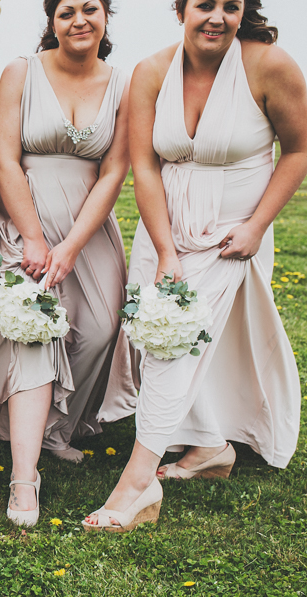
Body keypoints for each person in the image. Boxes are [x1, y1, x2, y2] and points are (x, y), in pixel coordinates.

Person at [84, 0, 306, 532]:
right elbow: (145, 165)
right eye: (204, 4)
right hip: (165, 236)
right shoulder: (152, 72)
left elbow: (298, 151)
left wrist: (254, 227)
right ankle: (209, 446)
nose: (217, 17)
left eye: (231, 6)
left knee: (172, 348)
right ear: (180, 8)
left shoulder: (269, 65)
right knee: (156, 341)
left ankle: (138, 484)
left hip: (230, 236)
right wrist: (163, 250)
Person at [0, 0, 135, 526]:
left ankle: (55, 427)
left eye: (90, 10)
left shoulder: (123, 84)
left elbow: (114, 171)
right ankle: (23, 477)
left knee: (101, 329)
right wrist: (35, 238)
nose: (79, 20)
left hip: (88, 226)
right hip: (25, 221)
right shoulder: (21, 72)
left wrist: (72, 244)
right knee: (34, 330)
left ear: (106, 17)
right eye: (66, 12)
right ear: (52, 22)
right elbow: (5, 157)